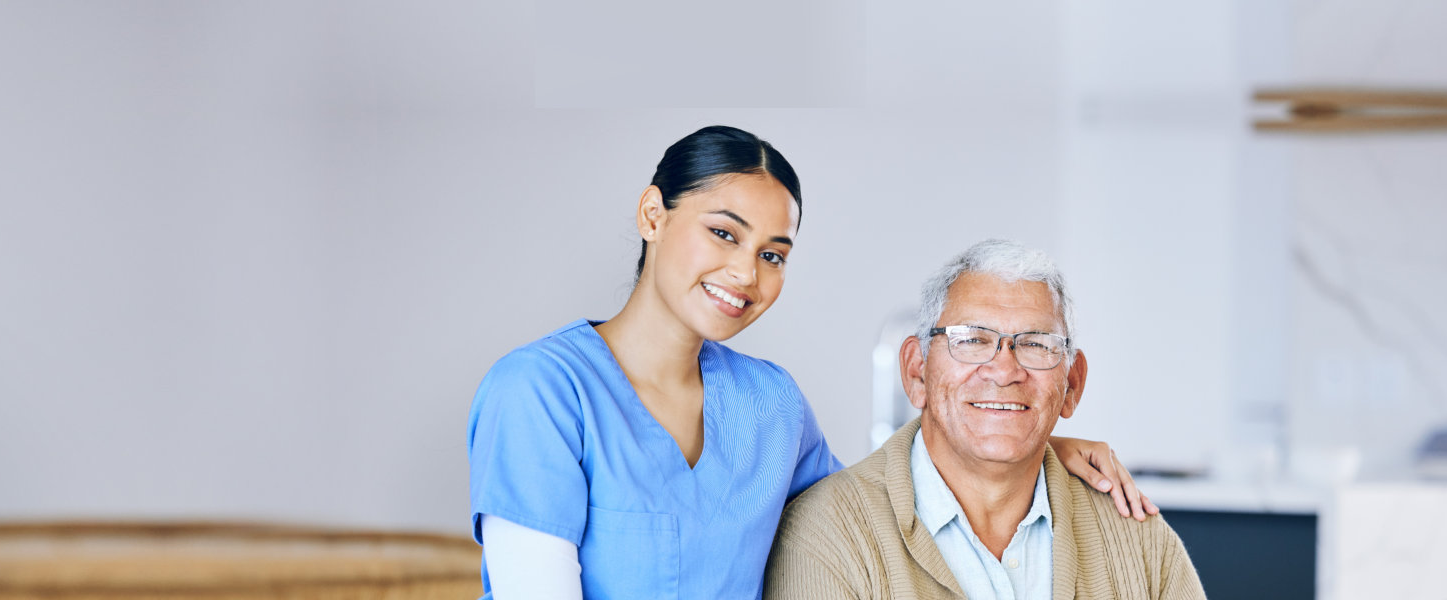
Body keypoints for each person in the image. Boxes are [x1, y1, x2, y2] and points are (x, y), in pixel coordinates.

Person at [467, 127, 1156, 600]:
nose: (745, 272)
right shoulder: (541, 393)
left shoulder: (770, 404)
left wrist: (1029, 443)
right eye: (722, 233)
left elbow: (883, 510)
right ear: (653, 214)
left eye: (772, 254)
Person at [765, 239, 1207, 600]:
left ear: (1071, 385)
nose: (1004, 371)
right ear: (916, 371)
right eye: (972, 340)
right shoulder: (828, 533)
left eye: (1036, 344)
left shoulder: (1138, 539)